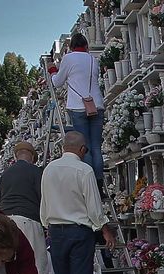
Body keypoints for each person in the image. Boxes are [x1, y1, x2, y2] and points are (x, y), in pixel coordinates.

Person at [41, 129, 113, 274]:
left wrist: (47, 225)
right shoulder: (84, 170)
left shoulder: (49, 170)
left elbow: (44, 202)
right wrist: (105, 229)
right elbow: (94, 206)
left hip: (55, 230)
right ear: (82, 149)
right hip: (79, 230)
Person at [0, 141, 55, 274]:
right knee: (36, 261)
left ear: (16, 155)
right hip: (28, 219)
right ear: (31, 156)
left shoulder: (5, 174)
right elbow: (43, 198)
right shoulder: (35, 172)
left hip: (7, 219)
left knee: (12, 263)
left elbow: (0, 196)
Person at [48, 34, 106, 191]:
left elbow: (57, 82)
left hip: (78, 106)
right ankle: (99, 183)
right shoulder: (93, 59)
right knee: (96, 146)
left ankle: (89, 186)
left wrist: (53, 70)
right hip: (96, 105)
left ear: (72, 46)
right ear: (86, 45)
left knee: (84, 146)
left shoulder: (68, 58)